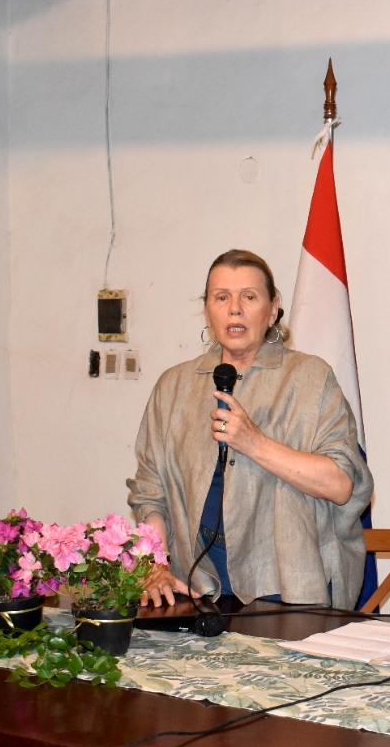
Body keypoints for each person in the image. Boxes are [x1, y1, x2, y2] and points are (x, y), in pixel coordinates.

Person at [128, 249, 373, 609]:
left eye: (250, 297)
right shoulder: (173, 387)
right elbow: (151, 494)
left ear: (273, 309)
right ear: (208, 308)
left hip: (288, 589)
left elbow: (340, 485)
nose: (235, 309)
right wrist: (154, 567)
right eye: (221, 297)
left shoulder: (310, 378)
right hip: (194, 588)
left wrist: (253, 442)